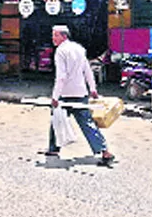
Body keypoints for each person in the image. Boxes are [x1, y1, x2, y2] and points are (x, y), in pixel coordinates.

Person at [46, 25, 115, 165]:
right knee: (87, 123)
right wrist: (93, 89)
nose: (53, 38)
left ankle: (54, 148)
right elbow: (87, 70)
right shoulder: (79, 49)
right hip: (80, 92)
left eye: (55, 35)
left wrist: (55, 96)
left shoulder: (60, 51)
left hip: (65, 93)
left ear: (64, 36)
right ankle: (104, 151)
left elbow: (61, 76)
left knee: (57, 118)